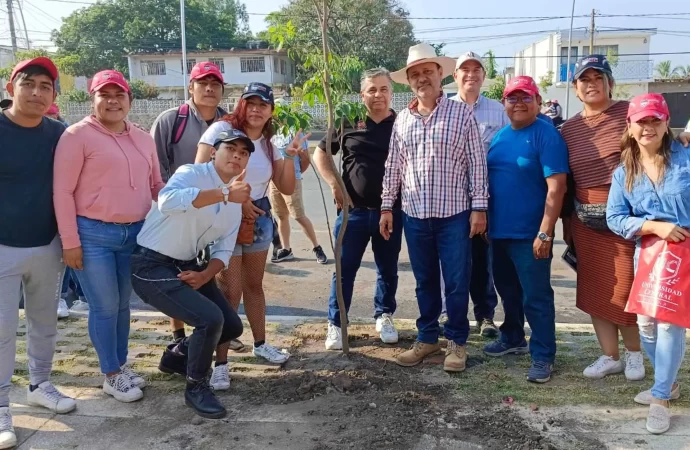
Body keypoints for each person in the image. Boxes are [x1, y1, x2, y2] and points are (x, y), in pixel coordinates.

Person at [53, 70, 165, 403]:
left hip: (134, 235)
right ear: (94, 99)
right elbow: (62, 191)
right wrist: (70, 241)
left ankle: (120, 363)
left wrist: (191, 197)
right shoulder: (77, 136)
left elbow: (156, 186)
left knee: (122, 307)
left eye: (119, 95)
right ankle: (110, 374)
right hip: (92, 235)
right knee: (104, 307)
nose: (113, 101)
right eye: (105, 95)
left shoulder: (144, 139)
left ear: (129, 99)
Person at [381, 43, 488, 372]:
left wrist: (479, 208)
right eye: (415, 74)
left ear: (441, 74)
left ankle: (456, 342)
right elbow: (394, 166)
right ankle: (427, 338)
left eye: (428, 71)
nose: (422, 78)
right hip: (414, 214)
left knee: (457, 282)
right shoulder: (403, 120)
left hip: (454, 214)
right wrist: (387, 206)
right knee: (424, 280)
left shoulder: (460, 114)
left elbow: (477, 163)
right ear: (409, 81)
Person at [131, 130, 251, 419]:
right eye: (230, 148)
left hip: (188, 265)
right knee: (210, 320)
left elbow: (225, 246)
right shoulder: (191, 172)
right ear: (213, 152)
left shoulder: (236, 197)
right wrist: (224, 193)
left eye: (244, 152)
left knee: (232, 327)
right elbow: (167, 200)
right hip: (150, 264)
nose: (236, 155)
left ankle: (176, 357)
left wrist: (205, 275)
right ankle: (196, 386)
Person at [196, 82, 304, 384]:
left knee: (254, 285)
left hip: (257, 217)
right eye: (251, 103)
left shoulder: (272, 141)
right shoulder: (220, 130)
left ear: (271, 110)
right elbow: (198, 171)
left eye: (263, 104)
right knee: (229, 292)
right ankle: (220, 363)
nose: (256, 109)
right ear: (241, 104)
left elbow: (285, 188)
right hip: (223, 212)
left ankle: (260, 344)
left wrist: (290, 156)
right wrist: (233, 197)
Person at [0, 57, 76, 450]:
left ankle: (40, 383)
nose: (36, 92)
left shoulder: (60, 134)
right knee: (1, 332)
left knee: (45, 321)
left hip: (47, 244)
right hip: (2, 247)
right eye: (28, 83)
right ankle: (0, 407)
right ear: (11, 88)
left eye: (45, 86)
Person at [560, 55, 648, 381]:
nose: (592, 83)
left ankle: (635, 354)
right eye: (585, 79)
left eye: (599, 77)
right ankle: (610, 356)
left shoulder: (630, 114)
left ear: (610, 82)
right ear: (576, 88)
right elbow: (566, 179)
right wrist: (567, 224)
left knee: (625, 288)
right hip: (585, 219)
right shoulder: (568, 128)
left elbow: (657, 143)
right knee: (596, 289)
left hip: (625, 216)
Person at [606, 94, 689, 435]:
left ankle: (660, 399)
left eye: (655, 120)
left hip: (684, 256)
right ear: (630, 125)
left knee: (670, 323)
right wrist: (654, 226)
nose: (648, 127)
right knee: (646, 326)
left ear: (666, 122)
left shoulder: (686, 161)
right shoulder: (624, 171)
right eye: (641, 121)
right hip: (648, 254)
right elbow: (614, 217)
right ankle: (667, 383)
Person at [482, 76, 568, 383]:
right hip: (499, 232)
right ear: (504, 103)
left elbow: (557, 188)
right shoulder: (502, 136)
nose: (518, 104)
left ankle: (543, 355)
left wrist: (545, 232)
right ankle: (514, 337)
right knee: (508, 291)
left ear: (537, 100)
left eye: (525, 98)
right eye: (512, 98)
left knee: (537, 297)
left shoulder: (545, 134)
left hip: (531, 236)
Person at [314, 68, 402, 350]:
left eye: (384, 89)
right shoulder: (348, 121)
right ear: (362, 94)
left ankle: (384, 315)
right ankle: (337, 324)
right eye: (372, 90)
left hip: (391, 212)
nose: (378, 95)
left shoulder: (402, 124)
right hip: (354, 213)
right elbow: (322, 152)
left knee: (387, 269)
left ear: (391, 92)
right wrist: (334, 184)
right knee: (344, 270)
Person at [150, 61, 227, 346]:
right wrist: (165, 203)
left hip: (218, 207)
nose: (209, 89)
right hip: (179, 209)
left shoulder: (229, 122)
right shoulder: (172, 120)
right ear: (191, 87)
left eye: (215, 84)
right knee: (178, 272)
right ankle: (179, 337)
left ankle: (218, 333)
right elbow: (154, 166)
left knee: (213, 269)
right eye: (202, 83)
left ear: (222, 90)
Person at [444, 51, 508, 338]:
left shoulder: (499, 111)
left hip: (487, 199)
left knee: (484, 259)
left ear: (483, 76)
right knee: (453, 259)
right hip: (452, 199)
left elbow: (508, 150)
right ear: (455, 76)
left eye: (476, 70)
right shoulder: (442, 109)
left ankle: (485, 316)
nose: (470, 74)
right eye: (464, 70)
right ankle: (450, 313)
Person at [269, 123, 328, 264]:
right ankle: (286, 249)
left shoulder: (295, 131)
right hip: (274, 180)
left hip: (291, 179)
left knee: (298, 215)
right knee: (281, 215)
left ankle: (317, 247)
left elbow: (305, 159)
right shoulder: (271, 131)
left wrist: (295, 175)